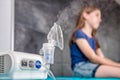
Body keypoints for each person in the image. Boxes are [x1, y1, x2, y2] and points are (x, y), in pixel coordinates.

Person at [69, 5, 120, 78]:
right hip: (80, 67)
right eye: (97, 15)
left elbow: (101, 58)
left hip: (91, 66)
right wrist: (118, 65)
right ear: (85, 15)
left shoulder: (94, 38)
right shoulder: (79, 34)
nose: (100, 20)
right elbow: (93, 58)